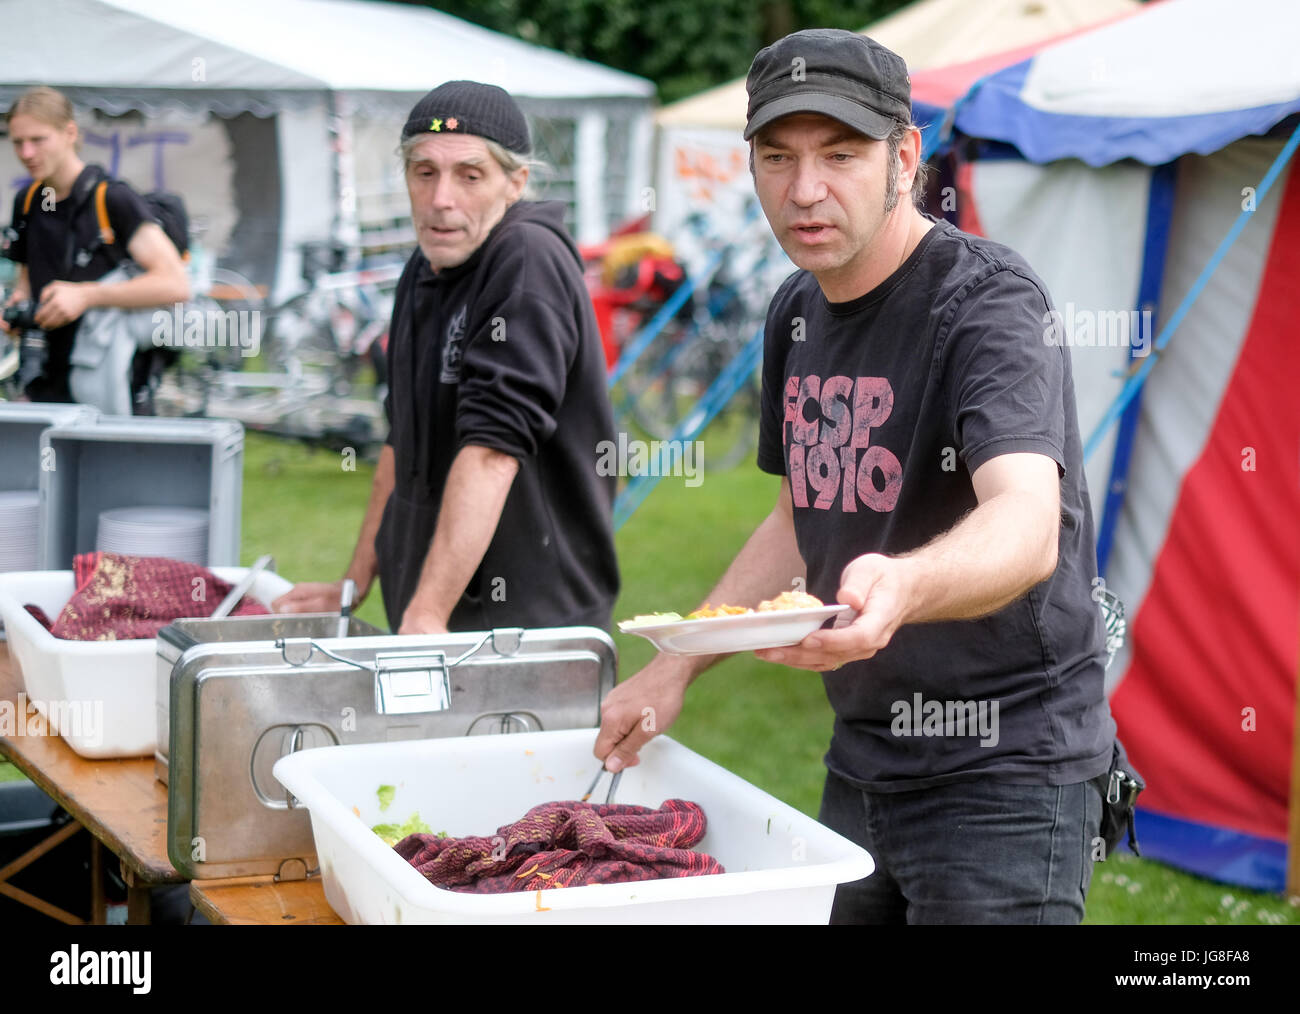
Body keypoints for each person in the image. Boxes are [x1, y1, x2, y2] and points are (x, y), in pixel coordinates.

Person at [594, 30, 1115, 925]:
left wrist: (905, 583)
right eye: (778, 158)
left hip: (1006, 776)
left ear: (904, 158)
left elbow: (1028, 524)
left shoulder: (987, 302)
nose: (805, 190)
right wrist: (678, 660)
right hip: (862, 760)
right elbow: (806, 505)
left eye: (840, 155)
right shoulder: (798, 309)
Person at [274, 81, 619, 635]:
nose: (441, 199)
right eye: (424, 171)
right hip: (432, 624)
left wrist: (427, 613)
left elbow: (491, 453)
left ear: (516, 182)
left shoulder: (525, 260)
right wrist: (353, 584)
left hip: (522, 631)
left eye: (470, 175)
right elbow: (399, 442)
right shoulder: (424, 266)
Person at [1, 86, 190, 407]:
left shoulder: (113, 199)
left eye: (38, 140)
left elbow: (175, 284)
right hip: (43, 379)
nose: (26, 153)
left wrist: (86, 296)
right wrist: (16, 312)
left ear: (70, 133)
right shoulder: (29, 200)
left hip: (109, 381)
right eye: (18, 142)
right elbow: (27, 285)